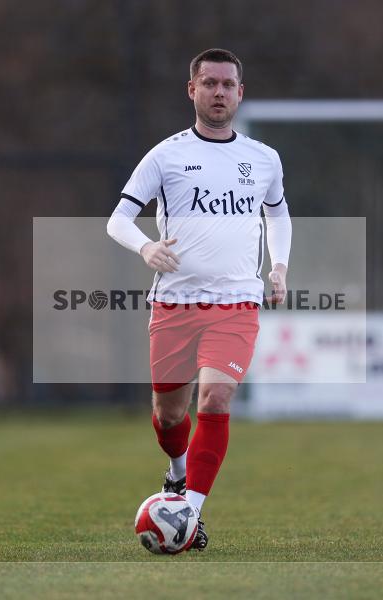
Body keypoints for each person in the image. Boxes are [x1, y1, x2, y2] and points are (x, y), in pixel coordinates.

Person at [106, 48, 292, 551]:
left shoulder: (263, 159)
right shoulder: (165, 155)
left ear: (240, 93)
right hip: (175, 305)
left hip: (236, 303)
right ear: (192, 90)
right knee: (169, 416)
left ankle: (188, 511)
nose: (218, 93)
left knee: (215, 397)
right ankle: (176, 474)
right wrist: (146, 247)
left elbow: (277, 216)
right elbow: (117, 219)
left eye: (228, 85)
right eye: (209, 83)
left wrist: (277, 267)